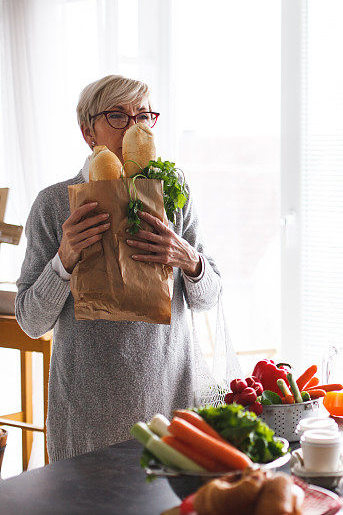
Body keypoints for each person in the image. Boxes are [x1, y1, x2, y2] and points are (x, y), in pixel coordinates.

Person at [15, 75, 222, 461]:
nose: (133, 127)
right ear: (87, 132)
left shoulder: (173, 195)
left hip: (172, 399)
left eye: (142, 116)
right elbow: (30, 321)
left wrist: (188, 259)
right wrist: (64, 260)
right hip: (87, 414)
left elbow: (209, 298)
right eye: (117, 116)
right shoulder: (54, 204)